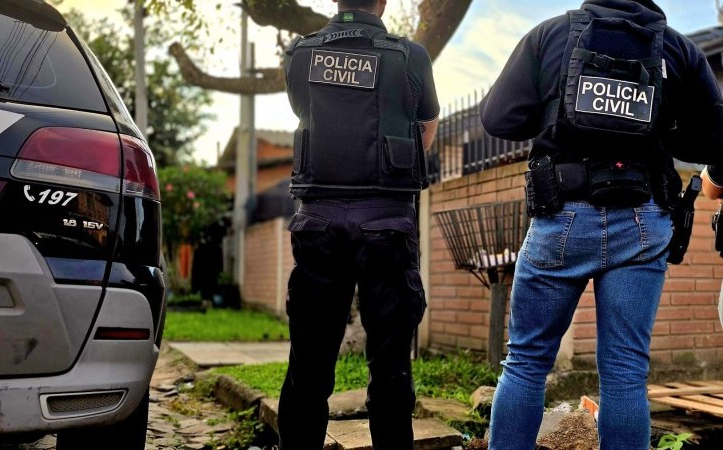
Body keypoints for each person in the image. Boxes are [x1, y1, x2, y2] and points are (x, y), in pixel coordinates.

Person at [479, 1, 723, 449]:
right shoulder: (680, 50)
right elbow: (713, 136)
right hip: (644, 222)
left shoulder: (550, 35)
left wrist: (558, 109)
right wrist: (658, 123)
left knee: (527, 362)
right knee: (626, 372)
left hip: (562, 216)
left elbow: (498, 118)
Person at [277, 0, 439, 449]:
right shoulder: (410, 56)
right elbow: (425, 126)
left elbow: (303, 111)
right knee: (391, 369)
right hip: (387, 221)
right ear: (383, 2)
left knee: (307, 366)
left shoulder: (300, 53)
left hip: (318, 222)